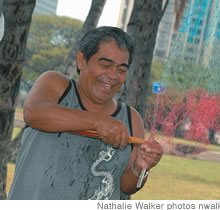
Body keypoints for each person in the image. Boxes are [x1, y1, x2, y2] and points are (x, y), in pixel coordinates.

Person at [8, 26, 163, 200]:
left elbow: (125, 187)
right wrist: (97, 122)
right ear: (82, 60)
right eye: (105, 65)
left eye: (121, 69)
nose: (113, 75)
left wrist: (141, 167)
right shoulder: (56, 85)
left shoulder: (131, 118)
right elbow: (34, 112)